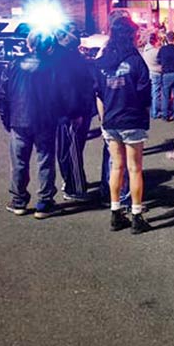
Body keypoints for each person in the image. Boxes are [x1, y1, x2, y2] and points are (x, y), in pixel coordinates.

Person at [94, 16, 152, 234]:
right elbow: (145, 94)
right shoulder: (136, 61)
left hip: (110, 120)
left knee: (116, 167)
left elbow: (98, 94)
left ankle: (115, 213)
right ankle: (137, 216)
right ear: (130, 35)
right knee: (135, 168)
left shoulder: (100, 63)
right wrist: (144, 116)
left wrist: (103, 121)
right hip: (132, 119)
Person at [0, 29, 62, 219]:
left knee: (19, 162)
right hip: (45, 120)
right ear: (49, 46)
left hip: (19, 120)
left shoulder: (14, 64)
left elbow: (2, 95)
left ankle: (19, 201)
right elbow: (59, 96)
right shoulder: (53, 66)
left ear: (29, 44)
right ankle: (44, 202)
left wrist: (6, 119)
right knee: (45, 161)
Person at [54, 26, 94, 202]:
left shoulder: (59, 59)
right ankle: (75, 187)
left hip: (65, 112)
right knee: (73, 151)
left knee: (66, 150)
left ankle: (70, 182)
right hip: (74, 112)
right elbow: (74, 88)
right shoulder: (74, 60)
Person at [142, 33, 163, 119]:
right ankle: (155, 112)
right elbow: (161, 61)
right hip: (156, 73)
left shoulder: (145, 50)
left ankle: (152, 110)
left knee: (152, 92)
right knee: (156, 93)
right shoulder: (156, 51)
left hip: (149, 72)